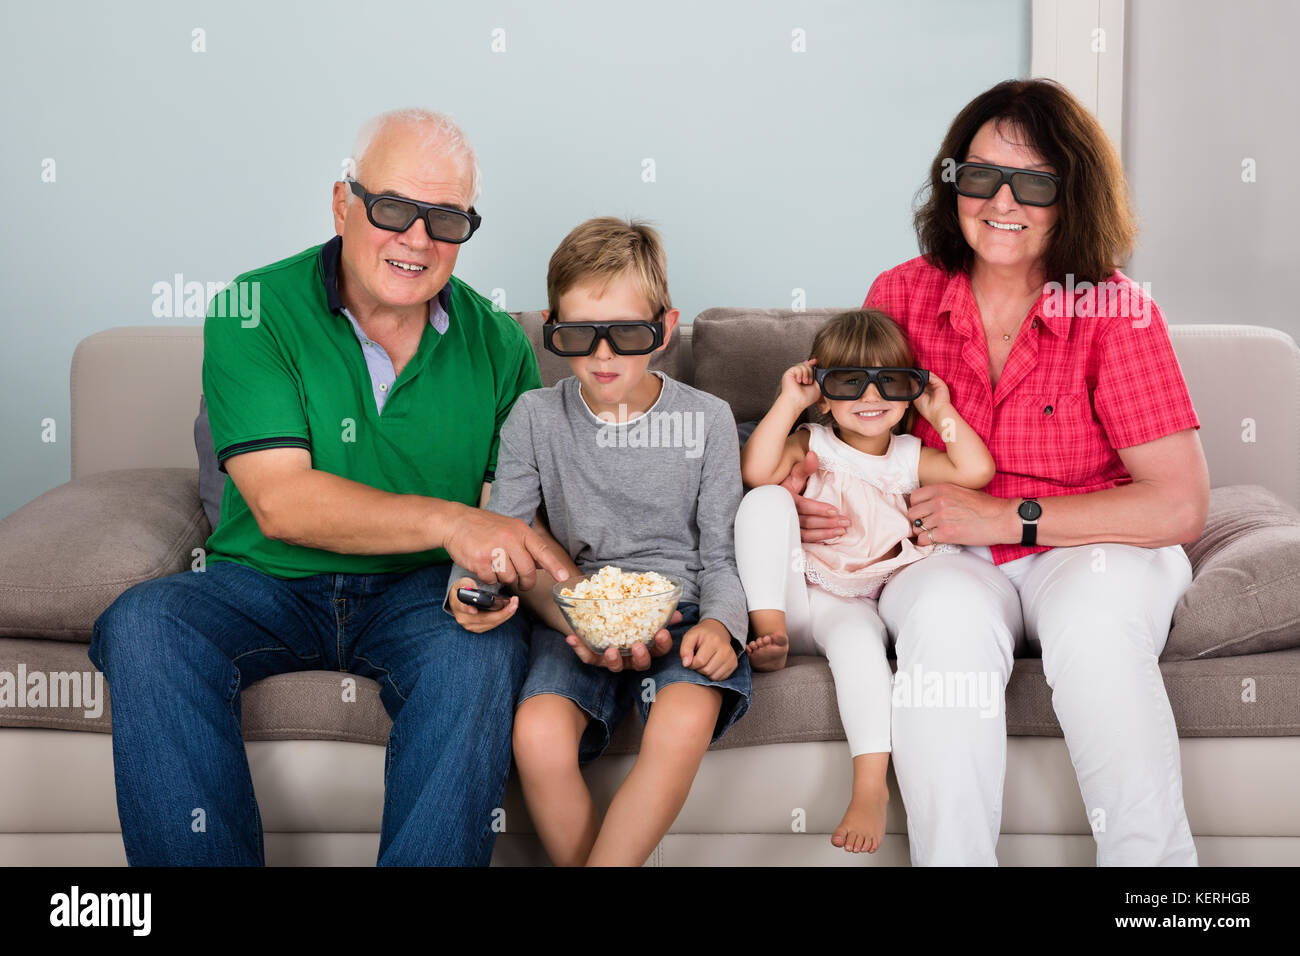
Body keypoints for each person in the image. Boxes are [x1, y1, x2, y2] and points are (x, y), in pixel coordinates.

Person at [88, 109, 573, 866]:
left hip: (420, 594)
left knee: (482, 654)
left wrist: (493, 579)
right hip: (263, 584)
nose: (417, 239)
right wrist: (452, 525)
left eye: (445, 219)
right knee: (145, 624)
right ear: (343, 204)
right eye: (392, 209)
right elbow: (281, 501)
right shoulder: (254, 310)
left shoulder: (500, 345)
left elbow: (496, 517)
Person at [784, 78, 1209, 866]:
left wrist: (1008, 517)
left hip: (1094, 544)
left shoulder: (1117, 310)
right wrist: (807, 502)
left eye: (1034, 182)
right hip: (943, 552)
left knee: (1095, 635)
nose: (1000, 200)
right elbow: (846, 431)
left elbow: (1179, 505)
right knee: (940, 633)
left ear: (1070, 196)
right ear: (953, 185)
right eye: (979, 176)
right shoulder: (901, 294)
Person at [446, 217, 752, 866]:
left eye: (627, 335)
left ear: (665, 330)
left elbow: (722, 556)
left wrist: (725, 627)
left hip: (684, 612)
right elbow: (503, 538)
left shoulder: (708, 420)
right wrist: (477, 590)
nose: (604, 356)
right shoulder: (533, 417)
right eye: (579, 336)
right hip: (571, 614)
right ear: (553, 328)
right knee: (536, 735)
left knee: (683, 721)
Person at [735, 308, 993, 853]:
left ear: (908, 393)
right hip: (801, 594)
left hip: (855, 607)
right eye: (850, 382)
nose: (871, 396)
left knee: (858, 648)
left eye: (891, 381)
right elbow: (756, 471)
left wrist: (940, 410)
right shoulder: (811, 441)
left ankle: (870, 787)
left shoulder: (908, 456)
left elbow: (975, 472)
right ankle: (768, 633)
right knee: (763, 501)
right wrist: (790, 402)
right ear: (823, 394)